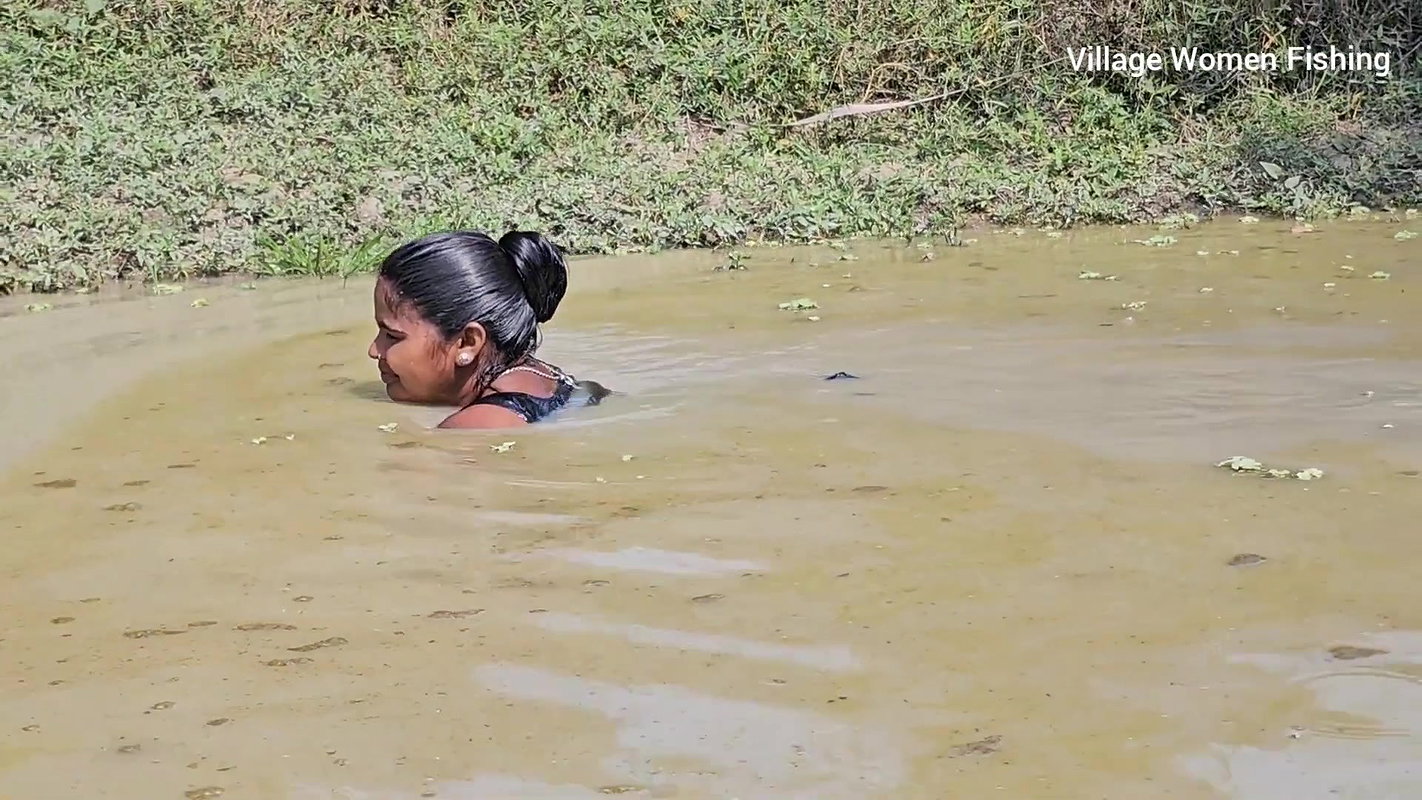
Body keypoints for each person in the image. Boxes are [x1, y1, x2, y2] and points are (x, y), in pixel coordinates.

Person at [367, 230, 608, 428]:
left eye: (392, 336)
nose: (373, 350)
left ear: (467, 343)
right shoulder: (553, 384)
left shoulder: (474, 427)